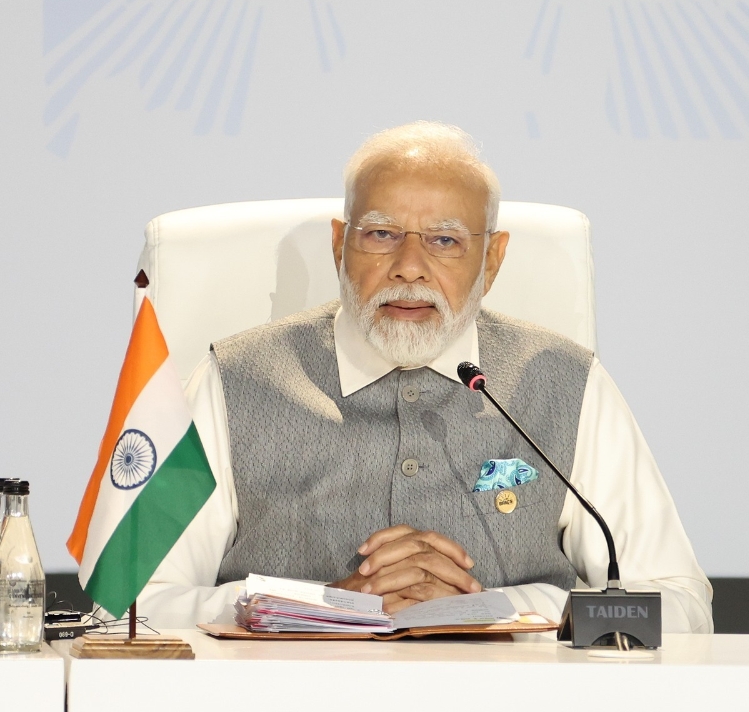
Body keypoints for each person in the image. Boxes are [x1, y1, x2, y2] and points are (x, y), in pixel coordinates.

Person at [139, 121, 713, 632]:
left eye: (444, 241)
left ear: (492, 260)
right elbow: (131, 606)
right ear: (340, 245)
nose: (409, 268)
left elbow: (681, 606)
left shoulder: (566, 384)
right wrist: (321, 605)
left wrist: (496, 609)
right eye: (381, 234)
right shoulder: (233, 382)